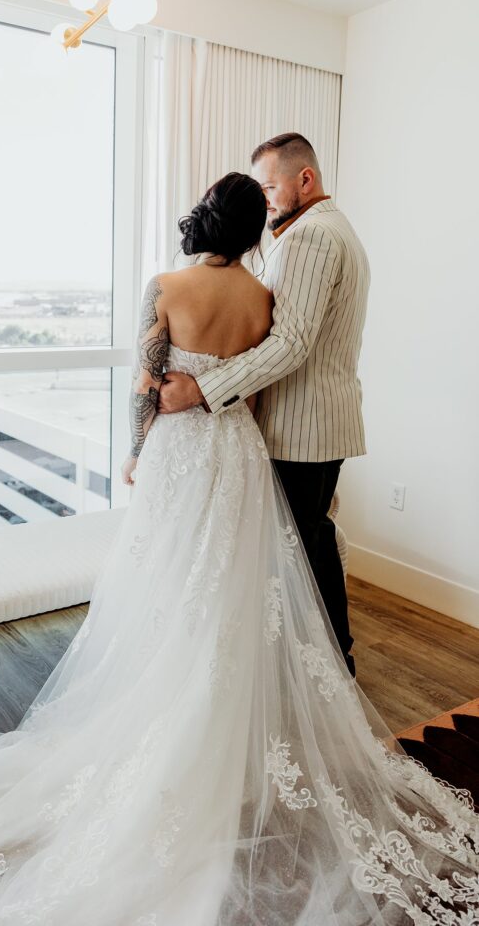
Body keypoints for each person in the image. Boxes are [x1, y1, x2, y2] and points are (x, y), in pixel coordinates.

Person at [0, 174, 477, 926]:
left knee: (163, 581)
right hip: (236, 451)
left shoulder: (166, 283)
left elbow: (146, 381)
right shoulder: (262, 299)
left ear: (202, 221)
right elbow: (250, 392)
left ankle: (166, 705)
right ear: (255, 231)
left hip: (179, 451)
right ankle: (223, 727)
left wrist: (134, 449)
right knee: (227, 587)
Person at [157, 134, 370, 677]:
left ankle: (319, 670)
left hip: (302, 425)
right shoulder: (318, 231)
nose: (267, 200)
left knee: (294, 555)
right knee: (311, 544)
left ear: (306, 179)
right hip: (320, 421)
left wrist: (202, 389)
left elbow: (291, 342)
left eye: (271, 187)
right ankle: (327, 665)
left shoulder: (312, 239)